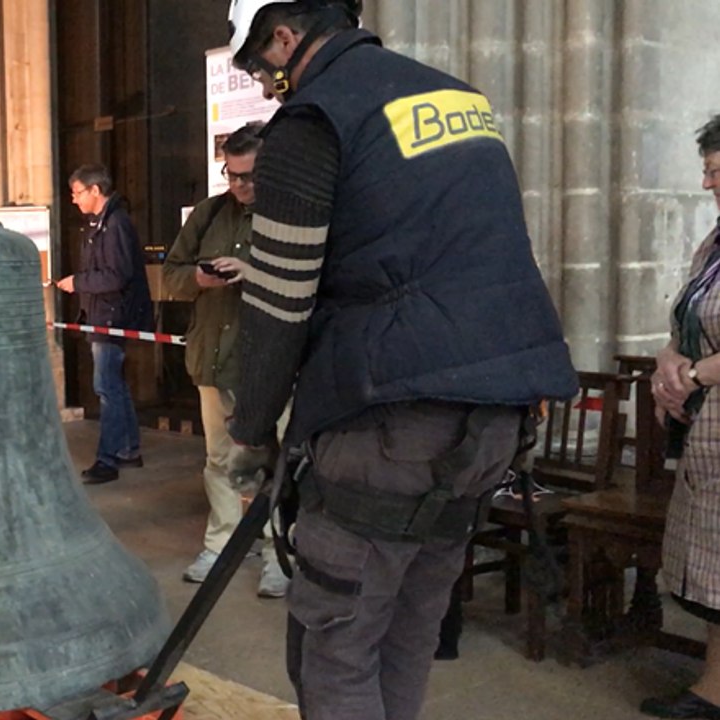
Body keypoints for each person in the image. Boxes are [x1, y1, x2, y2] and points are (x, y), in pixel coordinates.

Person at [223, 2, 578, 719]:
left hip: (389, 419)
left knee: (337, 648)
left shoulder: (314, 118)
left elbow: (277, 299)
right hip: (495, 419)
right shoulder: (459, 99)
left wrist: (252, 428)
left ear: (286, 36)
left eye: (263, 66)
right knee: (407, 635)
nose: (265, 86)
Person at [161, 125, 288, 598]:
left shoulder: (291, 213)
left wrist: (253, 273)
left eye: (250, 176)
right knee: (218, 458)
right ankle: (222, 545)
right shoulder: (209, 214)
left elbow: (317, 279)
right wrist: (198, 278)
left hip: (271, 361)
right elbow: (171, 276)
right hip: (215, 354)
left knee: (275, 460)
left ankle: (279, 553)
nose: (240, 186)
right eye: (232, 176)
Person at [643, 113, 720, 720]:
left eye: (716, 172)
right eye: (706, 170)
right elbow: (687, 315)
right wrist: (669, 360)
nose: (705, 184)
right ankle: (712, 689)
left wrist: (694, 375)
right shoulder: (715, 243)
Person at [57, 164, 153, 485]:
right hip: (102, 315)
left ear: (95, 191)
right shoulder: (99, 224)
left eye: (78, 193)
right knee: (114, 385)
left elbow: (116, 275)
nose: (74, 200)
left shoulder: (115, 225)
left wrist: (78, 282)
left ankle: (107, 459)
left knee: (106, 388)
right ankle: (128, 449)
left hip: (111, 317)